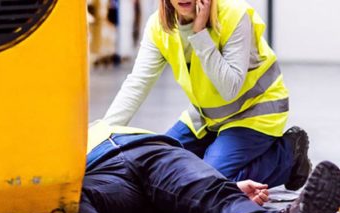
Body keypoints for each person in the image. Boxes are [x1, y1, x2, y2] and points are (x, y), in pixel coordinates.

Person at [0, 120, 340, 213]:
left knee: (215, 192)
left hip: (151, 151)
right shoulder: (65, 131)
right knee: (75, 197)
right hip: (102, 170)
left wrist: (231, 184)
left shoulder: (104, 125)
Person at [102, 0, 311, 190]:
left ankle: (287, 157)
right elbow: (137, 83)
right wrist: (104, 134)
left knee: (207, 182)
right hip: (206, 116)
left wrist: (200, 34)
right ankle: (212, 157)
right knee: (158, 164)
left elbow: (229, 89)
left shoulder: (233, 14)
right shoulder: (158, 26)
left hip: (254, 112)